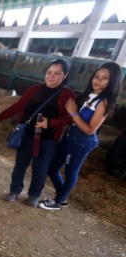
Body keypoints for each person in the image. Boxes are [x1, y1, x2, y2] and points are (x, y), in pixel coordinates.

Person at [40, 62, 123, 211]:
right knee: (52, 168)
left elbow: (90, 130)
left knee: (71, 172)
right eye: (96, 76)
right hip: (70, 136)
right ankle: (62, 196)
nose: (98, 80)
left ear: (112, 82)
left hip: (82, 141)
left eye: (105, 78)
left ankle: (58, 202)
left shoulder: (103, 102)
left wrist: (73, 113)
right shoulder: (88, 95)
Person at [0, 59, 76, 207]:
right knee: (20, 166)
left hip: (49, 140)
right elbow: (18, 106)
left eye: (57, 73)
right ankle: (14, 190)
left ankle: (34, 195)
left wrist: (50, 123)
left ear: (65, 76)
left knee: (41, 169)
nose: (51, 76)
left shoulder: (67, 95)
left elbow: (71, 118)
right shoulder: (34, 90)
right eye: (49, 72)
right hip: (27, 136)